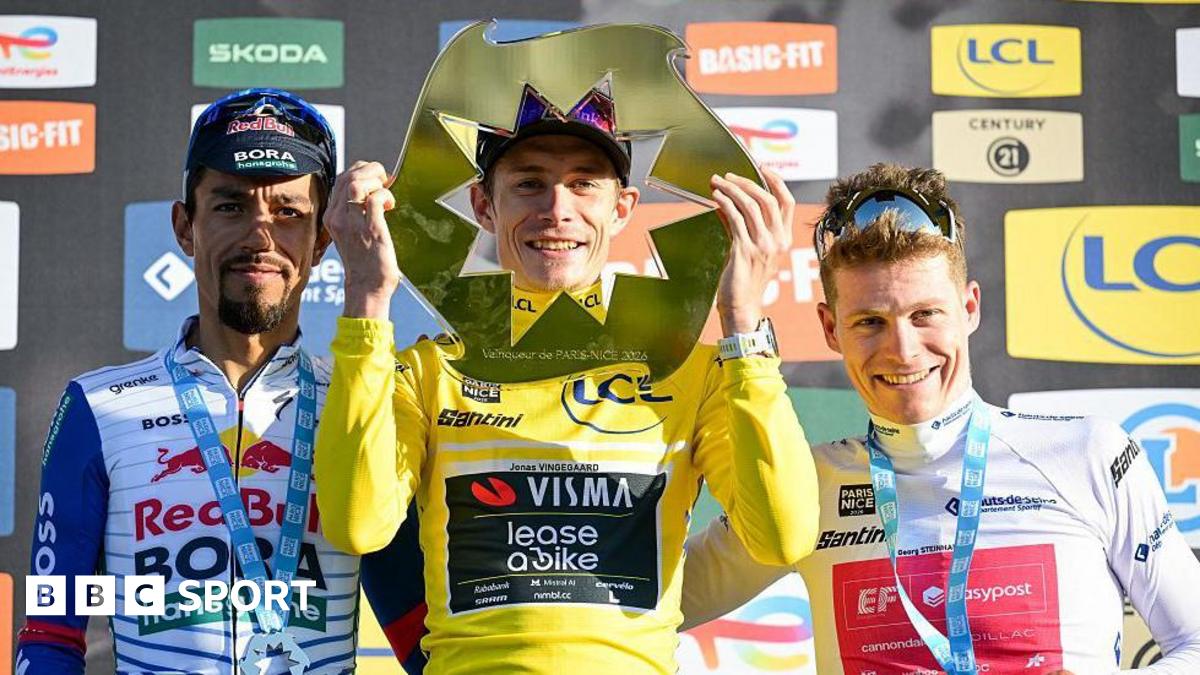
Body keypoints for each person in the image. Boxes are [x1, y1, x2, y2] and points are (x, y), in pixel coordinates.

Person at [313, 82, 820, 674]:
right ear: (483, 205)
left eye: (584, 183)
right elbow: (357, 524)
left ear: (622, 207)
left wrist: (743, 323)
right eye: (529, 183)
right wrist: (367, 300)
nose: (557, 209)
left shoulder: (694, 370)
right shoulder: (428, 371)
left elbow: (784, 537)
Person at [679, 163, 1200, 674]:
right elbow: (633, 604)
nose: (902, 351)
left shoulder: (1087, 453)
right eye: (870, 322)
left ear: (969, 308)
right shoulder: (805, 488)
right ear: (830, 328)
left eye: (925, 314)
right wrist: (739, 320)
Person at [15, 88, 364, 674]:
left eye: (288, 213)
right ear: (185, 227)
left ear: (323, 240)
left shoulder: (365, 406)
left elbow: (417, 630)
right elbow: (54, 625)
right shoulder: (98, 406)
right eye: (230, 206)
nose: (260, 236)